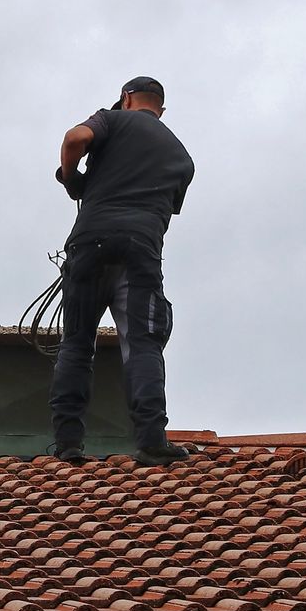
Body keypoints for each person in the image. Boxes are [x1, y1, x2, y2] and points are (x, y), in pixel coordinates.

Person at [48, 75, 196, 466]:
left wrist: (72, 180)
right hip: (141, 252)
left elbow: (73, 139)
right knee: (143, 343)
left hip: (90, 245)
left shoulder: (111, 120)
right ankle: (151, 440)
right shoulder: (183, 159)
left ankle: (67, 444)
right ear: (160, 109)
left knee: (77, 344)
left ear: (126, 99)